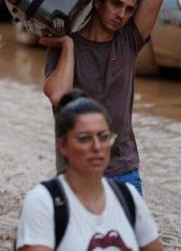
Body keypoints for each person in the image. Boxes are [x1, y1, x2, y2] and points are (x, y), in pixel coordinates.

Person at [41, 0, 168, 194]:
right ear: (98, 1)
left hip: (124, 170)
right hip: (77, 175)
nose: (122, 14)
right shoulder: (64, 42)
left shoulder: (128, 41)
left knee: (128, 239)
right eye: (116, 4)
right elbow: (58, 96)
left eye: (129, 9)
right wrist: (69, 46)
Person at [15, 91, 165, 251]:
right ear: (63, 146)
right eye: (84, 138)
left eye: (103, 136)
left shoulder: (128, 198)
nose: (97, 147)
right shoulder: (42, 203)